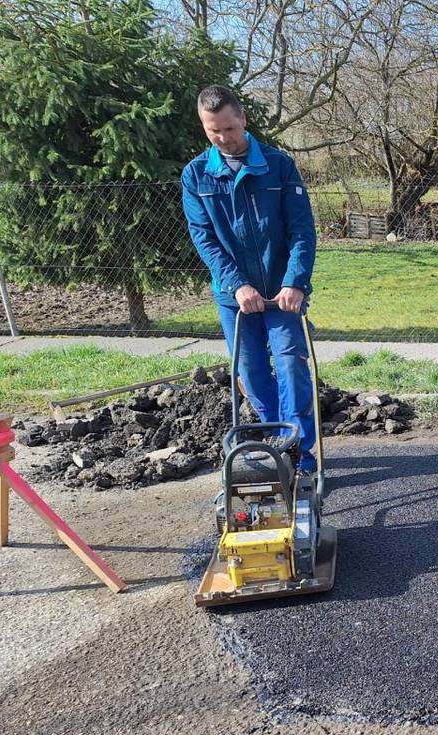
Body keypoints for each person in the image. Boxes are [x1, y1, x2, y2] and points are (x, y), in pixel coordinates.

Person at [181, 85, 318, 471]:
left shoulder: (278, 166)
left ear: (242, 118)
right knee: (250, 371)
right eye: (213, 131)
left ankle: (299, 453)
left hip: (282, 292)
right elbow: (204, 239)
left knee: (290, 362)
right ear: (204, 127)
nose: (224, 137)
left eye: (229, 127)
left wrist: (295, 282)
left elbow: (302, 230)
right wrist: (237, 285)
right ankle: (279, 437)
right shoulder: (196, 176)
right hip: (235, 298)